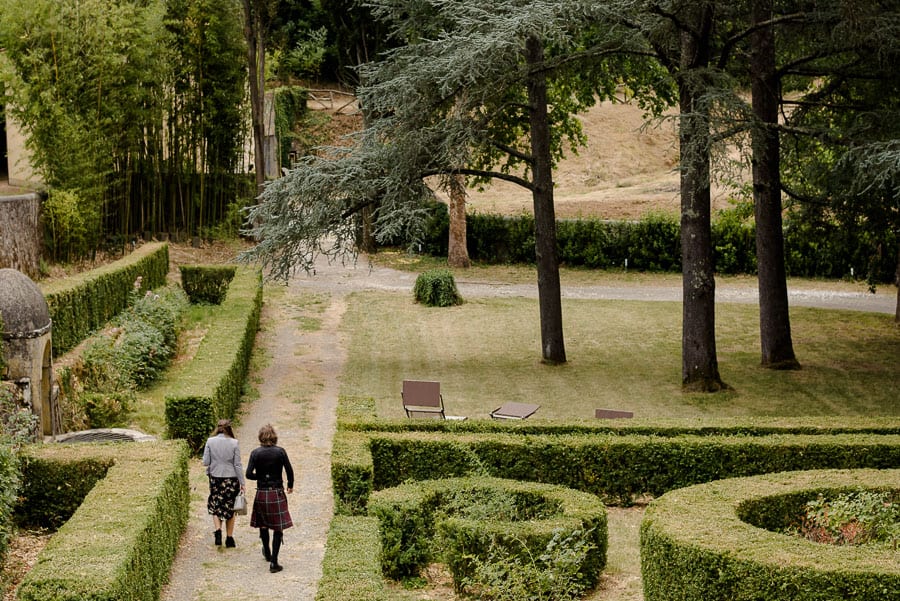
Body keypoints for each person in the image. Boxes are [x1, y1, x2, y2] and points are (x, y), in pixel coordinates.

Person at [246, 423, 294, 573]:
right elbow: (289, 471)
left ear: (260, 437)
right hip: (276, 491)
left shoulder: (255, 453)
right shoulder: (280, 452)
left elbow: (248, 474)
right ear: (274, 437)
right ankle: (274, 562)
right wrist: (290, 485)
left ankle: (266, 551)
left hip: (261, 492)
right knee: (277, 527)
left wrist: (259, 476)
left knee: (263, 524)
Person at [202, 419, 246, 548]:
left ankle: (218, 530)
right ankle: (230, 538)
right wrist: (242, 482)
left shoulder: (210, 441)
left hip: (215, 477)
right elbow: (237, 464)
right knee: (231, 507)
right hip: (231, 478)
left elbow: (206, 461)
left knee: (216, 504)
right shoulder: (234, 443)